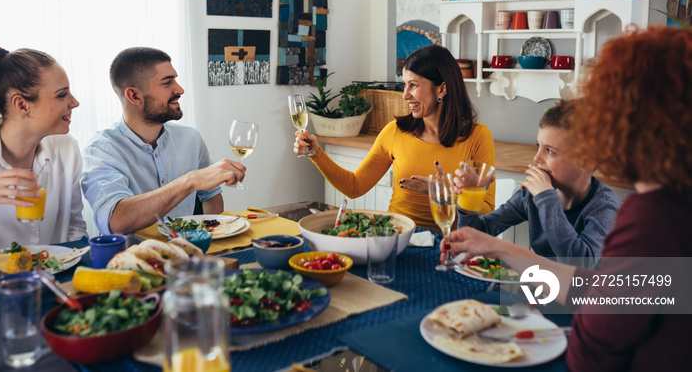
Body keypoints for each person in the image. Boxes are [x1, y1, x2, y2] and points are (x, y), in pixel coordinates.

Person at [443, 26, 692, 371]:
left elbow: (598, 336)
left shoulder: (652, 218)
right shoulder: (678, 207)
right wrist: (495, 245)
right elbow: (620, 291)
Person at [293, 44, 496, 233]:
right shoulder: (395, 132)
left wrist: (439, 192)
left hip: (452, 246)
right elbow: (354, 186)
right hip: (400, 238)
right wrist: (316, 153)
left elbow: (487, 210)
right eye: (404, 85)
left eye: (413, 85)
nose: (404, 95)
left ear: (441, 89)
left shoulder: (477, 136)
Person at [81, 47, 245, 235]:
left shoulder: (190, 139)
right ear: (134, 96)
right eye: (167, 82)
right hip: (132, 260)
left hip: (190, 255)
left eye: (176, 79)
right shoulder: (101, 150)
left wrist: (212, 241)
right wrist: (188, 181)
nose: (180, 89)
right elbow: (116, 221)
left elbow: (210, 197)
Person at [455, 99, 619, 267]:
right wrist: (470, 196)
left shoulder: (604, 207)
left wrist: (546, 199)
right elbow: (477, 234)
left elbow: (580, 265)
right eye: (537, 146)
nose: (536, 158)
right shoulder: (532, 195)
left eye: (549, 151)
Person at [0, 45, 87, 246]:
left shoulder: (66, 149)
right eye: (62, 95)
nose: (75, 102)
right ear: (22, 105)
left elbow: (75, 229)